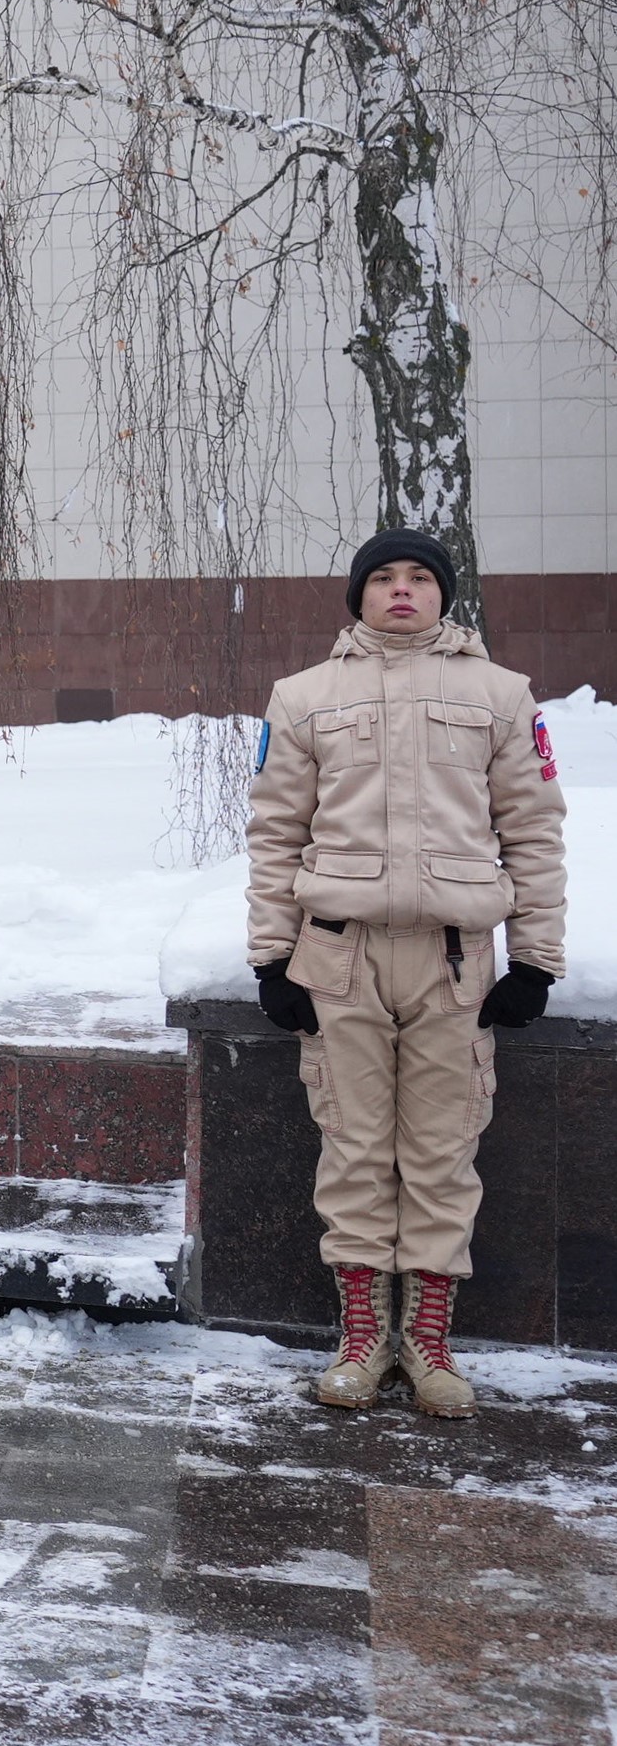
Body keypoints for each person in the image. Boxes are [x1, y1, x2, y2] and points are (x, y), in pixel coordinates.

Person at [247, 529, 567, 1418]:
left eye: (417, 578)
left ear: (442, 594)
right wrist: (272, 959)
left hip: (453, 964)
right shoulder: (303, 697)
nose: (398, 591)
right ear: (355, 597)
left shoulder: (499, 695)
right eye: (380, 578)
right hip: (336, 958)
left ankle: (426, 1343)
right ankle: (362, 1339)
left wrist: (534, 960)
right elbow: (274, 834)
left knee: (439, 1150)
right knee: (351, 1146)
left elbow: (532, 832)